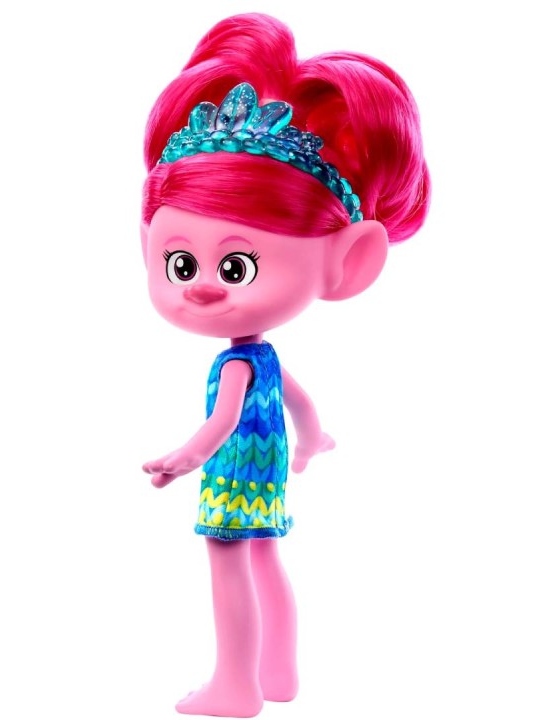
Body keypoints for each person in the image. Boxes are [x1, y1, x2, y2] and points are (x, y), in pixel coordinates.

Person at [139, 13, 430, 717]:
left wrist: (187, 456)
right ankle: (280, 673)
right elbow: (298, 402)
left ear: (348, 263)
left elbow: (222, 422)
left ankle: (236, 684)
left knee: (228, 564)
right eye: (181, 263)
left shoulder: (240, 366)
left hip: (234, 474)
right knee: (267, 555)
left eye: (236, 265)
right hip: (267, 471)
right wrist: (311, 438)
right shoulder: (264, 358)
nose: (202, 286)